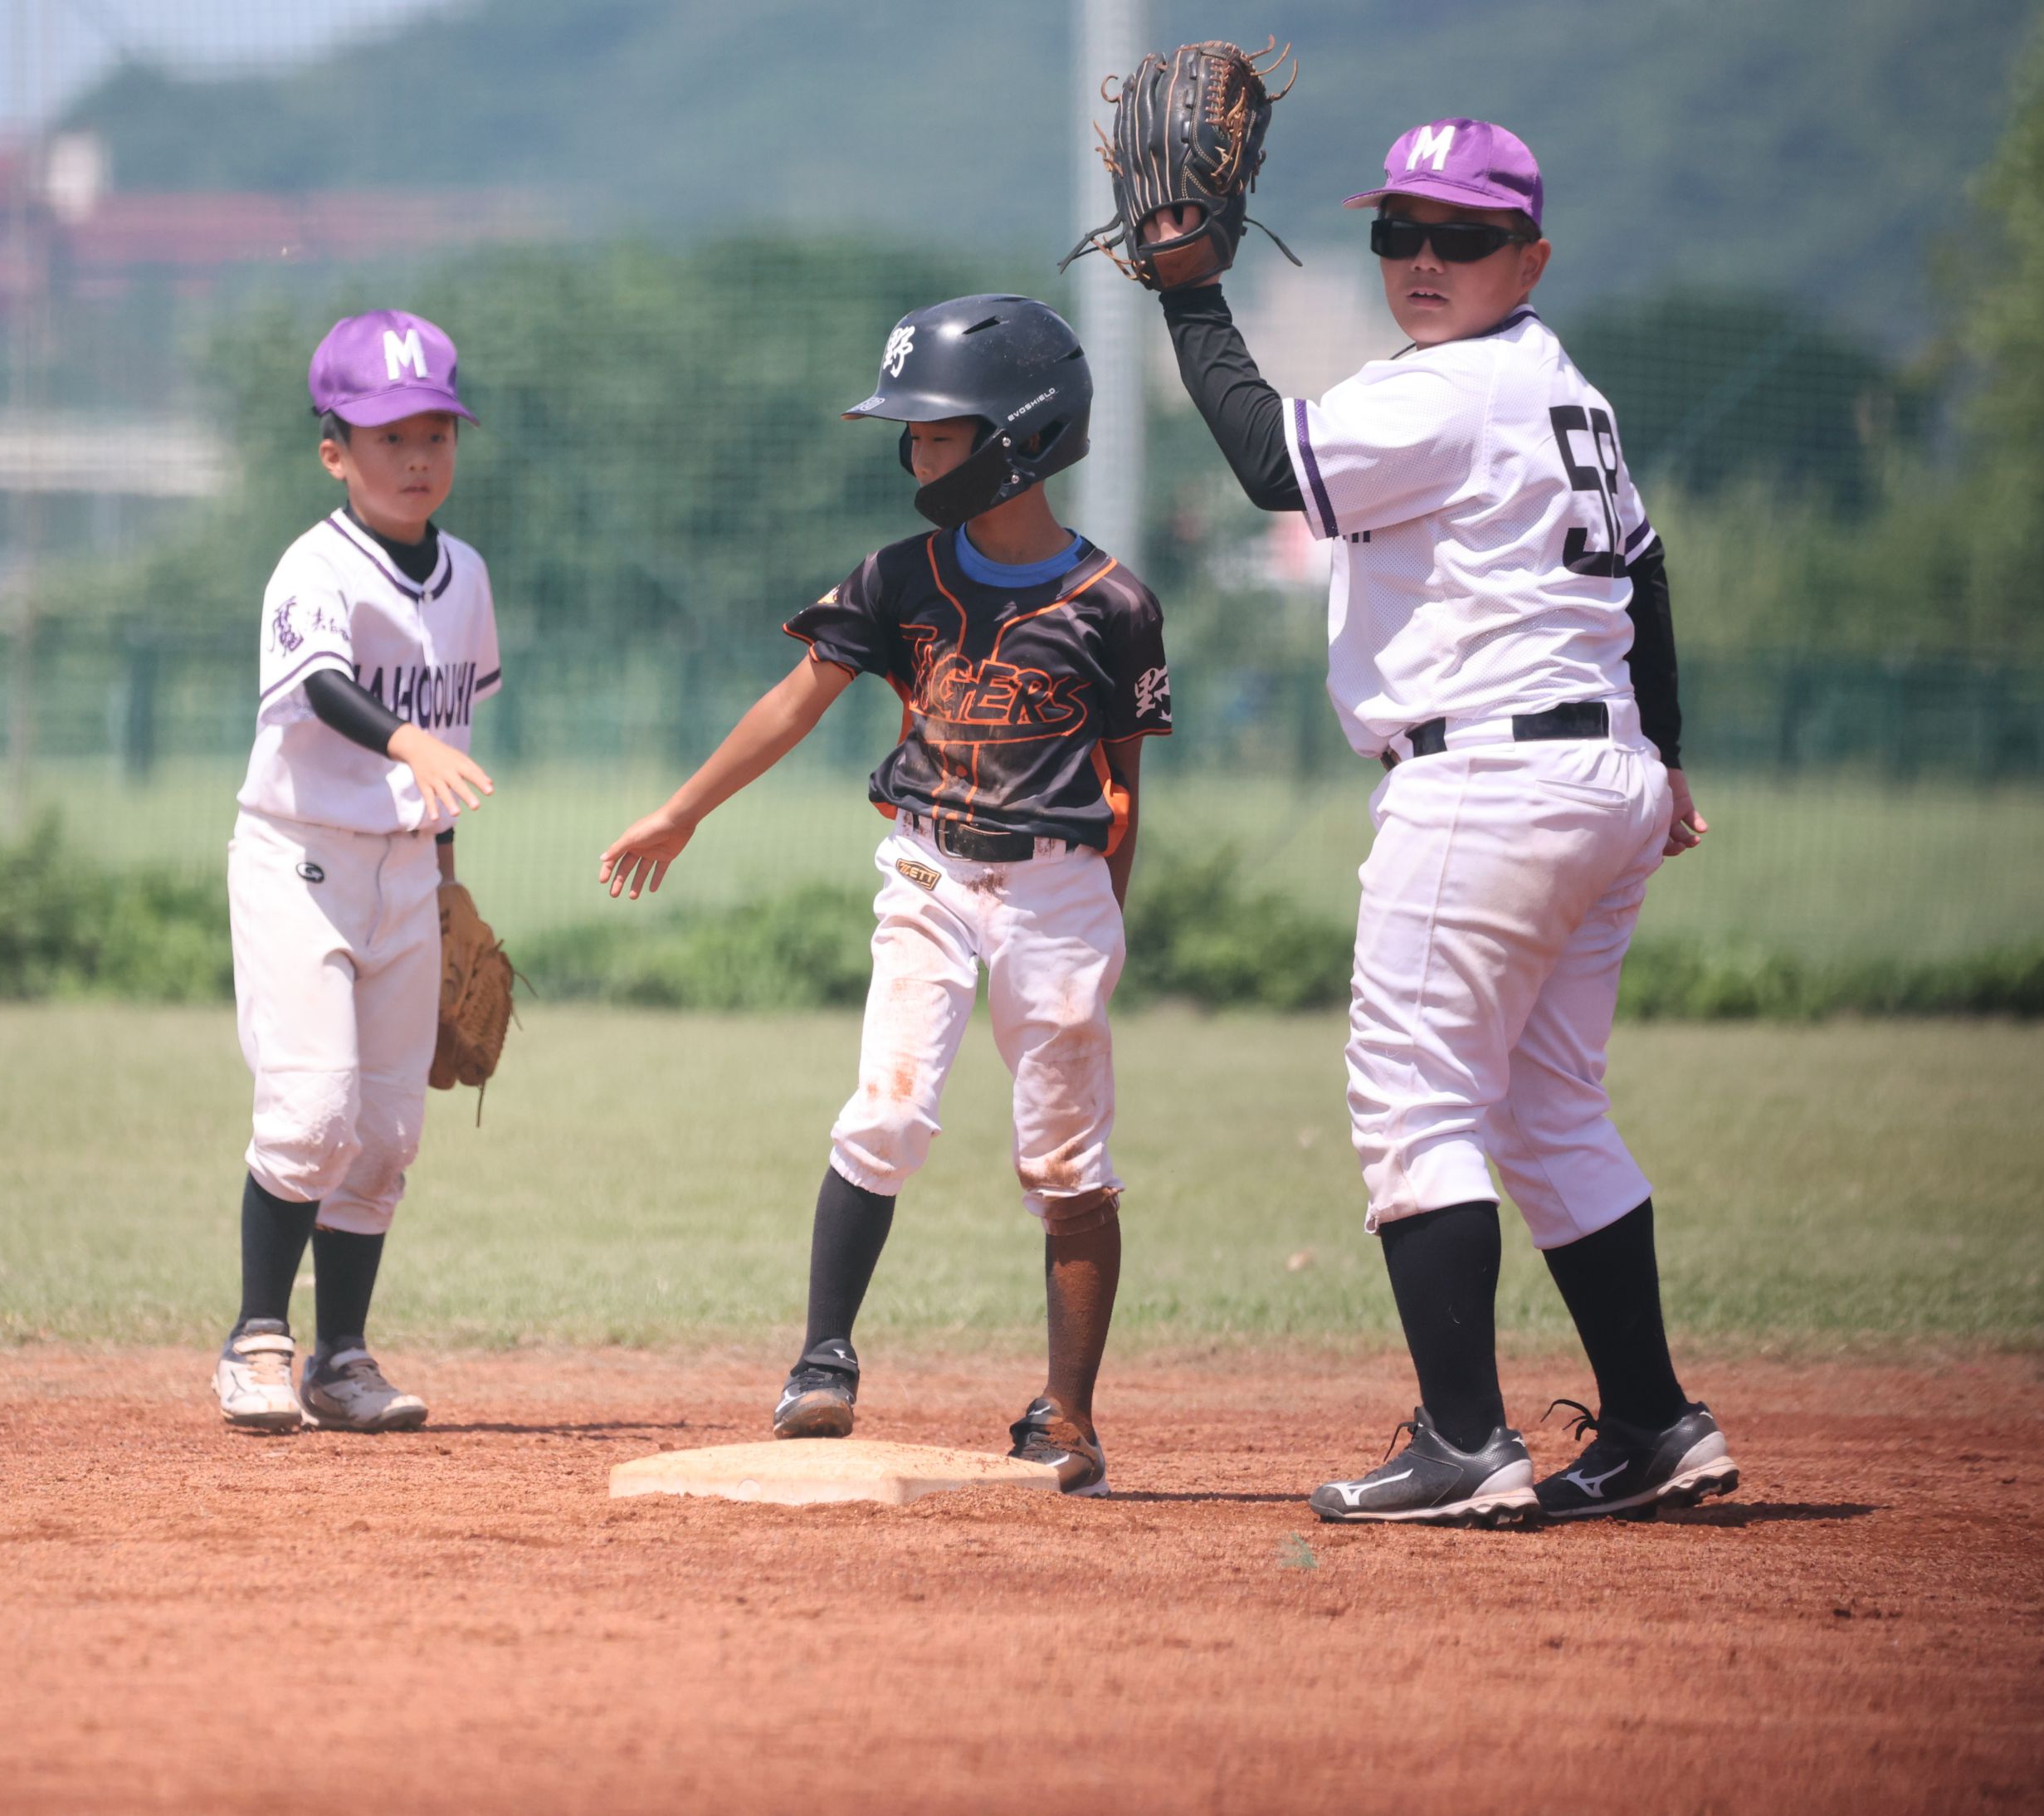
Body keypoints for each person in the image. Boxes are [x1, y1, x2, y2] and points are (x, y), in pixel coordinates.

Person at [1145, 119, 1736, 1526]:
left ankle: (1465, 1441)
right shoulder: (1564, 388)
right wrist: (1664, 757)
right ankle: (1654, 1424)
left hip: (1487, 784)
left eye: (1463, 237)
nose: (1423, 259)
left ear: (1529, 258)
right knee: (1549, 1108)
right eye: (1398, 232)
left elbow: (1270, 463)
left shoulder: (1452, 390)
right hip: (1597, 778)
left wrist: (1189, 290)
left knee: (1416, 1099)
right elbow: (1646, 575)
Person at [596, 296, 1170, 1496]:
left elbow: (1123, 784)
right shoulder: (899, 577)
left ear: (1022, 437)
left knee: (1066, 1157)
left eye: (940, 432)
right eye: (910, 433)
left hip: (1061, 893)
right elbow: (795, 700)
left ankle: (1068, 1415)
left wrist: (1100, 922)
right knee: (888, 1110)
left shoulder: (1115, 606)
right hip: (927, 868)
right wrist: (683, 810)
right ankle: (821, 1363)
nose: (915, 453)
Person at [212, 309, 502, 1434]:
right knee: (312, 1113)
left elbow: (451, 751)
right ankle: (255, 1341)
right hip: (300, 861)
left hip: (407, 876)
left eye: (435, 432)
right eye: (389, 437)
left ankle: (341, 1361)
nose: (417, 456)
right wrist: (405, 741)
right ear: (334, 451)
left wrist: (448, 887)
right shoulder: (315, 566)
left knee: (385, 1135)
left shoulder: (467, 575)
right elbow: (322, 687)